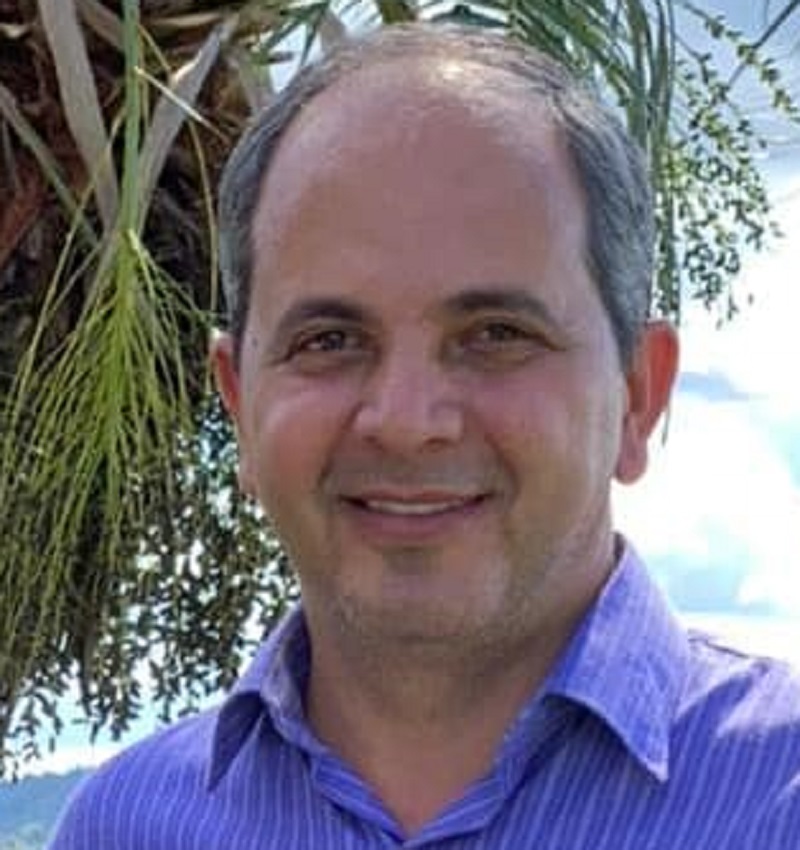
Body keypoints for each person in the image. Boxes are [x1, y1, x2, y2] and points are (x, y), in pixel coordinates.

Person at [49, 23, 800, 850]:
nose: (406, 423)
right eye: (329, 341)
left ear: (636, 396)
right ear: (241, 408)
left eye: (496, 335)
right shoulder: (124, 828)